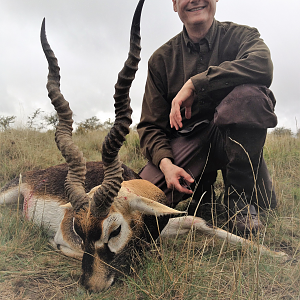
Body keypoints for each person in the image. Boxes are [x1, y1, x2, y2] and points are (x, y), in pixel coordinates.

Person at [137, 0, 278, 235]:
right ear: (174, 4)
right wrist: (166, 164)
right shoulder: (161, 59)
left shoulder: (243, 36)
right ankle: (202, 194)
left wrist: (196, 84)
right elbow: (150, 126)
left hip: (232, 139)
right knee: (141, 202)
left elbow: (263, 65)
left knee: (249, 97)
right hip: (190, 143)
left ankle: (241, 201)